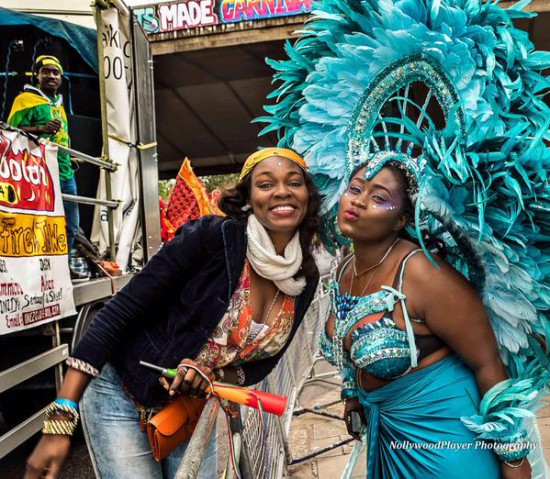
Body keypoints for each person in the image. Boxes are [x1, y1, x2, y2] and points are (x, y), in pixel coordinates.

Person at [24, 147, 321, 479]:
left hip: (187, 407)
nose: (282, 191)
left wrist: (210, 376)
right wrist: (62, 416)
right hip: (121, 395)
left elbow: (263, 362)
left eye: (293, 182)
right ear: (249, 198)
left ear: (307, 196)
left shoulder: (303, 279)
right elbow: (118, 314)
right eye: (266, 184)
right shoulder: (212, 238)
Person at [320, 154, 532, 478]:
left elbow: (488, 363)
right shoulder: (344, 269)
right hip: (390, 437)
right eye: (355, 188)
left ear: (401, 219)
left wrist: (514, 459)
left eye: (378, 197)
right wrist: (352, 396)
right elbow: (346, 342)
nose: (359, 201)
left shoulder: (423, 274)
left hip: (447, 444)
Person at [7, 55, 84, 280]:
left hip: (64, 172)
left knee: (71, 225)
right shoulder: (25, 99)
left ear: (61, 78)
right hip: (36, 173)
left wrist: (70, 158)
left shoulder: (58, 104)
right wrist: (40, 128)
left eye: (56, 72)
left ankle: (63, 266)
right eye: (46, 72)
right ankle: (33, 271)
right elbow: (10, 132)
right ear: (37, 75)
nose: (51, 76)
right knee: (37, 224)